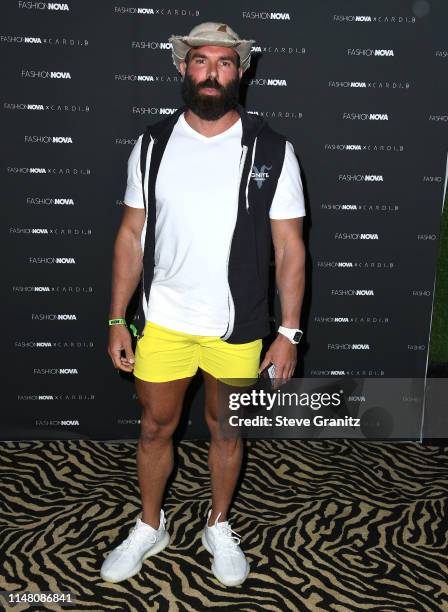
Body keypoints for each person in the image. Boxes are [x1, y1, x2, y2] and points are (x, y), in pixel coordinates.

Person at [100, 22, 306, 587]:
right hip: (164, 320)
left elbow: (289, 246)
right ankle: (151, 524)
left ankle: (218, 523)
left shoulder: (271, 148)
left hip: (237, 324)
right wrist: (119, 318)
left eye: (223, 62)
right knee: (153, 430)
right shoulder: (152, 143)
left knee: (227, 432)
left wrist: (289, 331)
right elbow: (129, 236)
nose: (211, 72)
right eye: (200, 61)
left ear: (240, 72)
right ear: (183, 69)